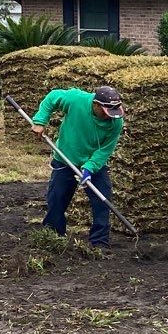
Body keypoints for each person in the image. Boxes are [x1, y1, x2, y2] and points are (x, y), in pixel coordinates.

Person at [31, 83, 126, 249]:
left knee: (103, 199)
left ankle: (99, 241)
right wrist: (40, 120)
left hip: (93, 164)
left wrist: (89, 168)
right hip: (65, 158)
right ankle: (53, 234)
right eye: (105, 113)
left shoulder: (115, 122)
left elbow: (104, 150)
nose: (109, 117)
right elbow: (52, 97)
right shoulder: (77, 100)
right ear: (96, 104)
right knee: (58, 198)